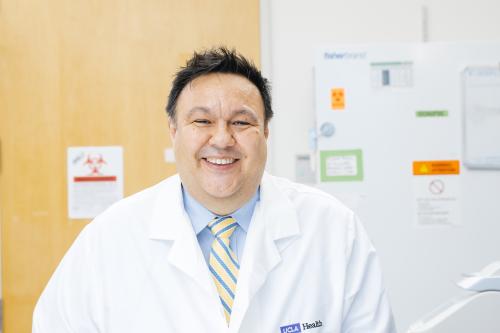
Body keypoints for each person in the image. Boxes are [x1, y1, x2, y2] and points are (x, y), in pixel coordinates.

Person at [33, 47, 396, 333]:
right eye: (202, 121)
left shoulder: (332, 229)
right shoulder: (109, 239)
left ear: (265, 132)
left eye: (241, 122)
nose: (222, 139)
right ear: (174, 131)